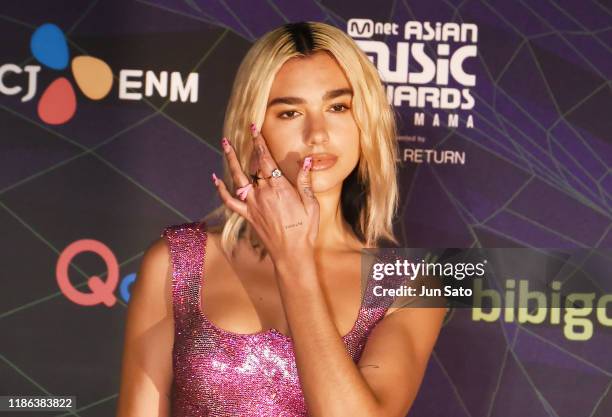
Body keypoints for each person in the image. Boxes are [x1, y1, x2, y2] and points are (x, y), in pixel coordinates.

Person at [116, 21, 446, 417]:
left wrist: (294, 259)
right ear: (253, 126)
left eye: (338, 107)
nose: (317, 133)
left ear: (365, 121)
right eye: (290, 112)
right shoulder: (178, 262)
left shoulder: (409, 288)